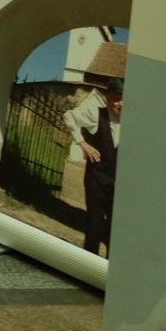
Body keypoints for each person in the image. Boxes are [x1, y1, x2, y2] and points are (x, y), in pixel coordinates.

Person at [64, 47, 125, 259]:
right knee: (94, 222)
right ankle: (88, 262)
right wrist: (83, 143)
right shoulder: (95, 114)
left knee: (115, 226)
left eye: (123, 98)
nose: (120, 103)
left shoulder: (129, 121)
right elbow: (69, 116)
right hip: (97, 178)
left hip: (117, 181)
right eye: (116, 98)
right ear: (108, 97)